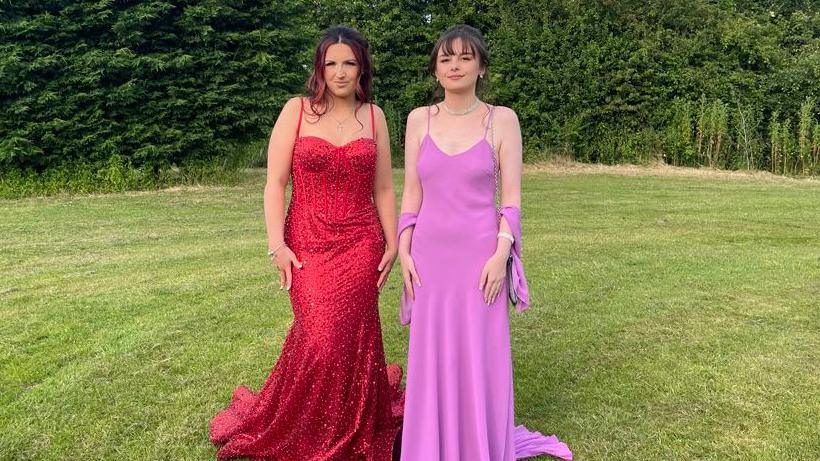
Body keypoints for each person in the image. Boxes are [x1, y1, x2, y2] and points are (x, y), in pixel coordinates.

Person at [209, 26, 403, 460]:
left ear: (362, 68)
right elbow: (274, 183)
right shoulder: (297, 110)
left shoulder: (374, 117)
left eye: (349, 62)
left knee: (349, 337)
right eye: (330, 63)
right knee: (320, 339)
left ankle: (353, 421)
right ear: (319, 68)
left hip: (360, 243)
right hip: (307, 243)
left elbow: (385, 189)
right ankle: (302, 424)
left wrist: (392, 243)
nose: (339, 72)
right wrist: (276, 244)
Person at [397, 24, 572, 461]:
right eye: (445, 58)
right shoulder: (419, 120)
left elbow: (511, 200)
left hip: (481, 260)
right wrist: (403, 248)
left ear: (481, 67)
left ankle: (478, 445)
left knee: (478, 356)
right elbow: (411, 197)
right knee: (433, 357)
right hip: (429, 260)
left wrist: (501, 254)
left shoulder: (503, 120)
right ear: (436, 71)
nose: (454, 65)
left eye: (464, 57)